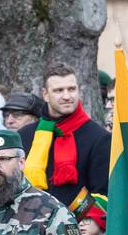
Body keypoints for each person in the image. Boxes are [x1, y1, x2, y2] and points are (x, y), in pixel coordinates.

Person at [17, 63, 110, 207]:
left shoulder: (99, 137)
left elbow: (103, 191)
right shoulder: (24, 135)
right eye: (59, 90)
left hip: (76, 225)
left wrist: (91, 222)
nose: (67, 96)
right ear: (45, 94)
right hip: (29, 223)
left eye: (71, 89)